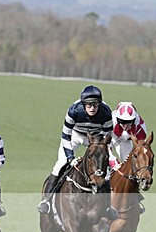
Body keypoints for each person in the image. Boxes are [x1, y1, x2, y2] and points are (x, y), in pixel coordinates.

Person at [37, 85, 113, 214]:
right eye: (89, 105)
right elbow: (65, 135)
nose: (93, 108)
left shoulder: (106, 113)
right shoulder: (74, 111)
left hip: (95, 138)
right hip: (75, 135)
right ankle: (46, 201)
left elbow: (107, 137)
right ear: (83, 104)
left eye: (95, 104)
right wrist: (70, 157)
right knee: (60, 164)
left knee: (104, 169)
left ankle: (108, 207)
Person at [110, 101, 149, 169]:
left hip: (125, 141)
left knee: (129, 164)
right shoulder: (110, 120)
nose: (125, 126)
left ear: (134, 120)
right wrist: (112, 161)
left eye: (128, 122)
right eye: (122, 122)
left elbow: (141, 147)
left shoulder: (140, 125)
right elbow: (103, 142)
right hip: (111, 138)